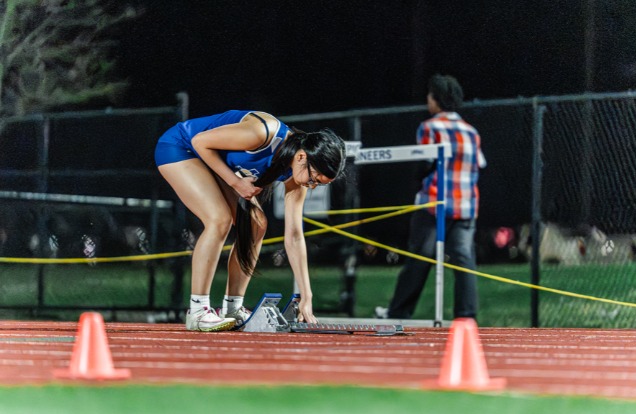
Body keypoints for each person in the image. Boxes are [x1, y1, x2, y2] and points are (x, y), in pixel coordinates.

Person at [155, 110, 346, 331]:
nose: (311, 186)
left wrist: (307, 295)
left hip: (211, 160)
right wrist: (236, 183)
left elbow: (294, 236)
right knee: (219, 219)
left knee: (257, 225)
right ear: (302, 157)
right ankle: (198, 311)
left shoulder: (296, 176)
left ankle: (232, 308)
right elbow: (200, 142)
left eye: (318, 184)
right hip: (181, 146)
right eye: (313, 179)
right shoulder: (262, 132)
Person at [375, 74, 486, 320]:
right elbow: (479, 165)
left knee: (419, 258)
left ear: (436, 99)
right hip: (466, 205)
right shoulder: (472, 132)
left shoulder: (430, 127)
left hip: (435, 204)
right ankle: (466, 315)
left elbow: (425, 163)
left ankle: (398, 312)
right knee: (464, 260)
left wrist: (417, 180)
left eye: (429, 95)